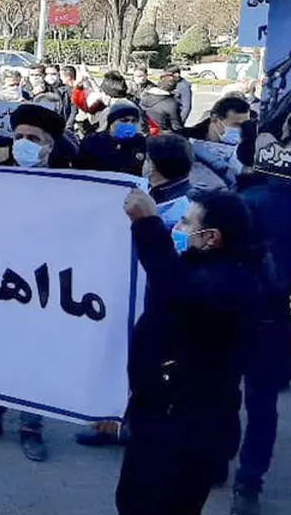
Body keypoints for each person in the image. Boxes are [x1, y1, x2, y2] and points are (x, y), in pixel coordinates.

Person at [116, 188, 260, 515]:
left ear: (210, 237)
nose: (177, 229)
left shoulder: (226, 283)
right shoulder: (202, 267)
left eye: (184, 223)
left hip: (183, 433)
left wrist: (148, 225)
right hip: (161, 417)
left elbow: (177, 292)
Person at [0, 104, 72, 463]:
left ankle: (31, 427)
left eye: (32, 139)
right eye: (18, 137)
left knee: (34, 360)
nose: (22, 143)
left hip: (41, 290)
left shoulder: (72, 188)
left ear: (49, 146)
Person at [77, 134, 195, 449]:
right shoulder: (148, 195)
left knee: (142, 371)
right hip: (124, 296)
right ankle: (110, 424)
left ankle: (131, 430)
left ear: (153, 166)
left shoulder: (181, 209)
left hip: (153, 305)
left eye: (146, 159)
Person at [229, 172, 291, 515]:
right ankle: (248, 482)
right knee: (261, 405)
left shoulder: (246, 196)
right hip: (277, 316)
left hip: (230, 309)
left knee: (222, 392)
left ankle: (218, 460)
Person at [181, 95, 254, 192]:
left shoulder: (249, 149)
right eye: (235, 125)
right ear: (214, 118)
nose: (240, 130)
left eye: (245, 125)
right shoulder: (185, 144)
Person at [77, 99, 148, 177]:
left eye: (133, 121)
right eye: (124, 120)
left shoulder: (142, 143)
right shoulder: (92, 142)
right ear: (111, 123)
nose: (129, 124)